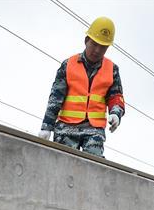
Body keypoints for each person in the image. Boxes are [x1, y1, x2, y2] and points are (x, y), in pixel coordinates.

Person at [38, 17, 125, 158]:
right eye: (94, 44)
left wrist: (116, 113)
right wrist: (46, 126)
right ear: (86, 41)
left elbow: (116, 96)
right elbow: (55, 98)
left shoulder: (112, 69)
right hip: (66, 128)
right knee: (61, 164)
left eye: (103, 47)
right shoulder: (68, 65)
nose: (97, 50)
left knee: (94, 166)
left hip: (94, 130)